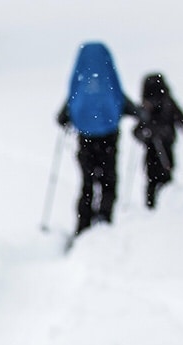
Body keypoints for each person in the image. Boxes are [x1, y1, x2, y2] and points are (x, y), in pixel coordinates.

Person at [56, 41, 142, 235]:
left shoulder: (81, 81)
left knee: (87, 183)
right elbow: (122, 102)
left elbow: (65, 112)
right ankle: (104, 222)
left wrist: (67, 118)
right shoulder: (107, 79)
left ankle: (83, 226)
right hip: (109, 139)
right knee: (108, 181)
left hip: (85, 140)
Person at [132, 72, 183, 208]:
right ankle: (166, 205)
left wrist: (145, 134)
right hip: (166, 144)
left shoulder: (147, 106)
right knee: (166, 175)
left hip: (152, 147)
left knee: (152, 179)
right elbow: (181, 118)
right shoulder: (168, 102)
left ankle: (151, 206)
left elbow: (136, 131)